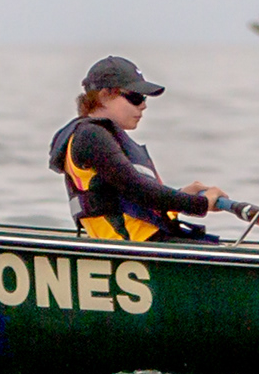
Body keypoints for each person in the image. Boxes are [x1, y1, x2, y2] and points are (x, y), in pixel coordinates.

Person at [49, 55, 229, 244]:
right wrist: (200, 204)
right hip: (134, 247)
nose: (143, 105)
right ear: (104, 95)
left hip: (152, 241)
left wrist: (182, 195)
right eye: (135, 97)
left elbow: (136, 198)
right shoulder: (90, 136)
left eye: (143, 98)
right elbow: (137, 189)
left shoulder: (103, 136)